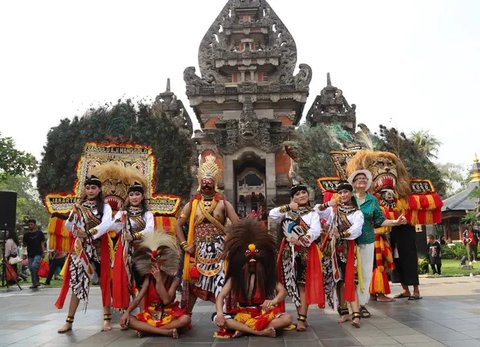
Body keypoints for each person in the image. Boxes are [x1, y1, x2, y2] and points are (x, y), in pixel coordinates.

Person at [175, 155, 239, 314]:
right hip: (197, 251)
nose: (207, 187)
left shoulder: (224, 203)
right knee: (192, 285)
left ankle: (223, 316)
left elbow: (238, 226)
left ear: (215, 184)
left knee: (221, 284)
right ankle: (185, 316)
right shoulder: (192, 204)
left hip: (220, 252)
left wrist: (229, 243)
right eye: (204, 184)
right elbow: (177, 224)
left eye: (210, 184)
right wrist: (184, 245)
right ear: (200, 184)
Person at [213, 218, 293, 338]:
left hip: (261, 313)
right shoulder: (235, 277)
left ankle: (244, 330)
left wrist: (273, 301)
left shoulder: (266, 274)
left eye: (256, 262)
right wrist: (219, 313)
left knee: (287, 318)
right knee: (217, 318)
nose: (252, 264)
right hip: (241, 313)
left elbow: (282, 292)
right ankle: (259, 331)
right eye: (248, 262)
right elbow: (221, 296)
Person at [55, 175, 114, 333]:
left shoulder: (105, 207)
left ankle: (107, 320)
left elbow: (106, 224)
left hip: (99, 248)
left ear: (99, 189)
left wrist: (87, 233)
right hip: (80, 250)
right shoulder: (78, 207)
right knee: (77, 285)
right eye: (87, 188)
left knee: (104, 283)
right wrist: (77, 231)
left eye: (93, 188)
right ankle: (69, 321)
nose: (90, 190)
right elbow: (68, 224)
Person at [347, 170, 407, 318]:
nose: (361, 180)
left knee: (366, 274)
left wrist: (395, 222)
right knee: (349, 274)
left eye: (364, 178)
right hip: (347, 242)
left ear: (368, 183)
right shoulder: (348, 198)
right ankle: (348, 306)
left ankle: (361, 305)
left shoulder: (373, 200)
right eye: (358, 178)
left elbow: (379, 220)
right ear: (353, 183)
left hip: (366, 240)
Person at [269, 183, 323, 332]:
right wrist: (288, 207)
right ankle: (292, 315)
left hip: (305, 252)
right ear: (293, 198)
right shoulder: (287, 213)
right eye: (297, 194)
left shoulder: (313, 213)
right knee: (289, 285)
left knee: (302, 285)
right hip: (288, 252)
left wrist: (301, 240)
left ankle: (301, 318)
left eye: (303, 192)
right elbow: (272, 214)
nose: (301, 196)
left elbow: (316, 231)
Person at [119, 232, 191, 338]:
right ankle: (165, 332)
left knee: (185, 319)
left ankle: (148, 331)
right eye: (152, 262)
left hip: (168, 314)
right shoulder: (148, 278)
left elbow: (166, 300)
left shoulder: (174, 280)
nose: (154, 265)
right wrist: (127, 312)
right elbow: (138, 299)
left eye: (157, 262)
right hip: (151, 314)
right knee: (129, 319)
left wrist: (159, 280)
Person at [315, 180, 364, 328]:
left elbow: (357, 230)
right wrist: (327, 204)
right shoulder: (333, 210)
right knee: (338, 280)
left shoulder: (357, 212)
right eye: (340, 192)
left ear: (351, 193)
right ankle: (344, 313)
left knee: (351, 280)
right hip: (333, 249)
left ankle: (356, 314)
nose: (343, 195)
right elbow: (316, 210)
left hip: (349, 249)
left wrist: (340, 233)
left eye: (345, 192)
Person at [112, 181, 154, 310]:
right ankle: (127, 314)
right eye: (131, 194)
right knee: (124, 280)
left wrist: (134, 236)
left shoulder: (147, 214)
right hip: (125, 250)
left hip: (141, 251)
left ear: (142, 197)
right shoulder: (122, 213)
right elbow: (114, 227)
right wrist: (120, 219)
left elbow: (150, 230)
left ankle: (142, 314)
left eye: (137, 194)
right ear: (128, 197)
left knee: (141, 283)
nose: (134, 197)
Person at [22, 219, 46, 289]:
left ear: (35, 225)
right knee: (31, 268)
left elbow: (42, 243)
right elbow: (24, 245)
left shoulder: (40, 233)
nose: (30, 226)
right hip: (30, 254)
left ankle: (34, 282)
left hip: (38, 253)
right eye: (29, 225)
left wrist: (43, 252)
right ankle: (36, 282)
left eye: (31, 224)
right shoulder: (26, 234)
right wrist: (24, 253)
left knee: (34, 266)